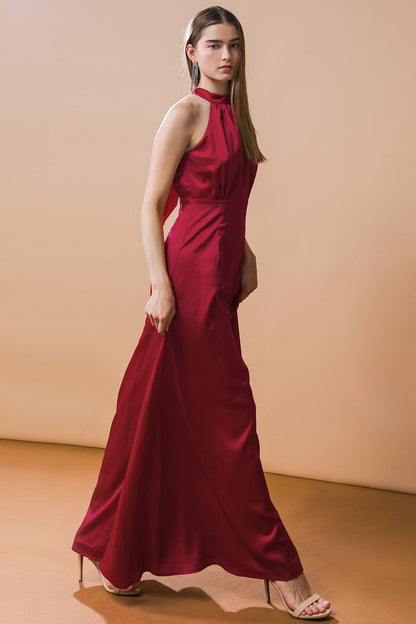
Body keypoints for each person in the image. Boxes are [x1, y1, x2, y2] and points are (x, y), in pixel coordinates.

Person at [72, 5, 332, 620]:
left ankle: (117, 557)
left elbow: (225, 203)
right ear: (191, 50)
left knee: (158, 414)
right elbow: (154, 204)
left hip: (218, 283)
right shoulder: (184, 113)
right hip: (185, 282)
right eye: (213, 44)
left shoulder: (236, 117)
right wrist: (161, 285)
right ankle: (286, 573)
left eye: (235, 45)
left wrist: (245, 253)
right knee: (230, 424)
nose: (226, 56)